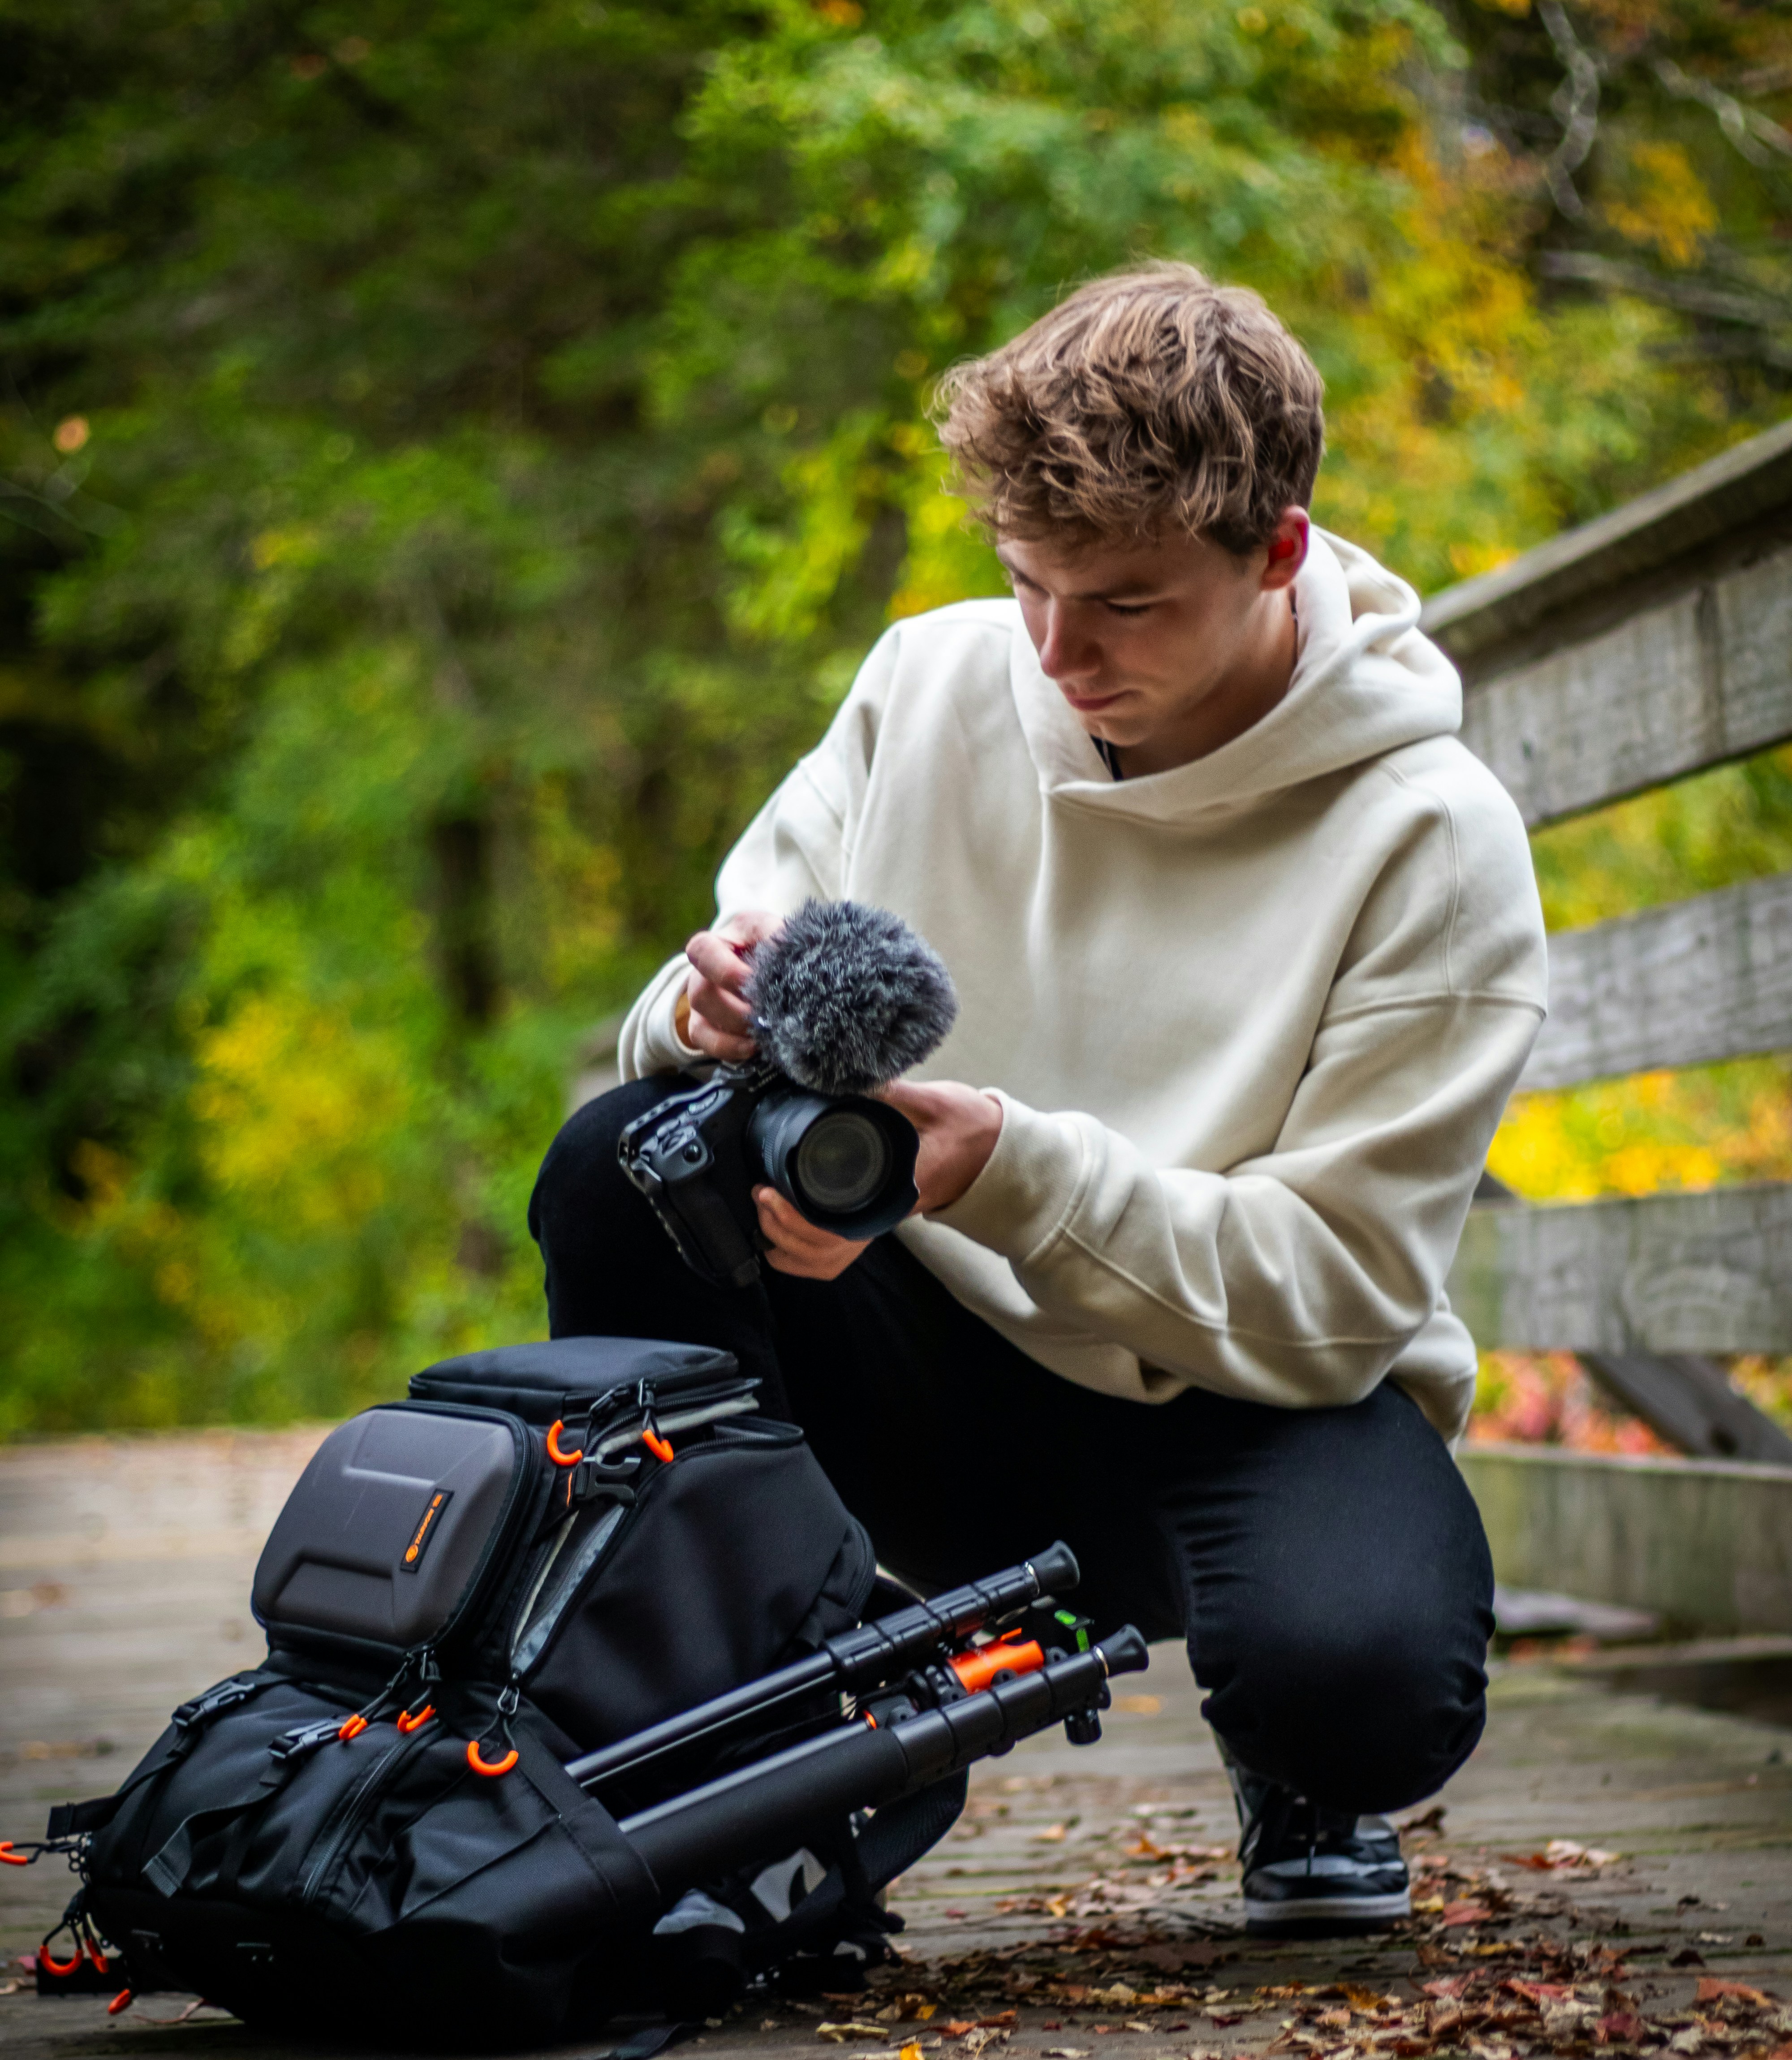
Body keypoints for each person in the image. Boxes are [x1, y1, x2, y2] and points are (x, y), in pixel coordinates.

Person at [530, 263, 1547, 1935]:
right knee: (621, 1162)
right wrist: (701, 1007)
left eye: (1129, 603)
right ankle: (719, 1755)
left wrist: (1012, 1169)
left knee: (1362, 1692)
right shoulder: (931, 682)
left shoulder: (1430, 834)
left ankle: (1297, 1766)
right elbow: (701, 1012)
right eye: (1029, 587)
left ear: (1277, 550)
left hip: (1242, 1394)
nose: (1062, 654)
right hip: (915, 1353)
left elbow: (1344, 1298)